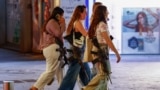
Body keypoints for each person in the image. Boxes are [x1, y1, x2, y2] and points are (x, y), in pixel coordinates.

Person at [82, 5, 121, 90]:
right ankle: (86, 89)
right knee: (103, 74)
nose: (108, 13)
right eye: (107, 11)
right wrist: (117, 53)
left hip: (98, 51)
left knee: (103, 74)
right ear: (103, 13)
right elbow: (108, 41)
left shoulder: (96, 24)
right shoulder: (102, 25)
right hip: (100, 51)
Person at [30, 7, 66, 90]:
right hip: (52, 48)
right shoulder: (52, 22)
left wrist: (62, 24)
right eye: (62, 15)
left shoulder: (51, 22)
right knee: (50, 71)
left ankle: (63, 87)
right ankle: (36, 87)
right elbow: (58, 34)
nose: (62, 17)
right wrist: (63, 23)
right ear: (57, 15)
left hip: (52, 49)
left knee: (60, 70)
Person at [58, 5, 91, 90]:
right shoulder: (77, 23)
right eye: (85, 12)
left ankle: (91, 88)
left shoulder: (78, 22)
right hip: (76, 54)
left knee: (87, 74)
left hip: (80, 54)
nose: (86, 14)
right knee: (71, 77)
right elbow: (87, 35)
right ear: (79, 13)